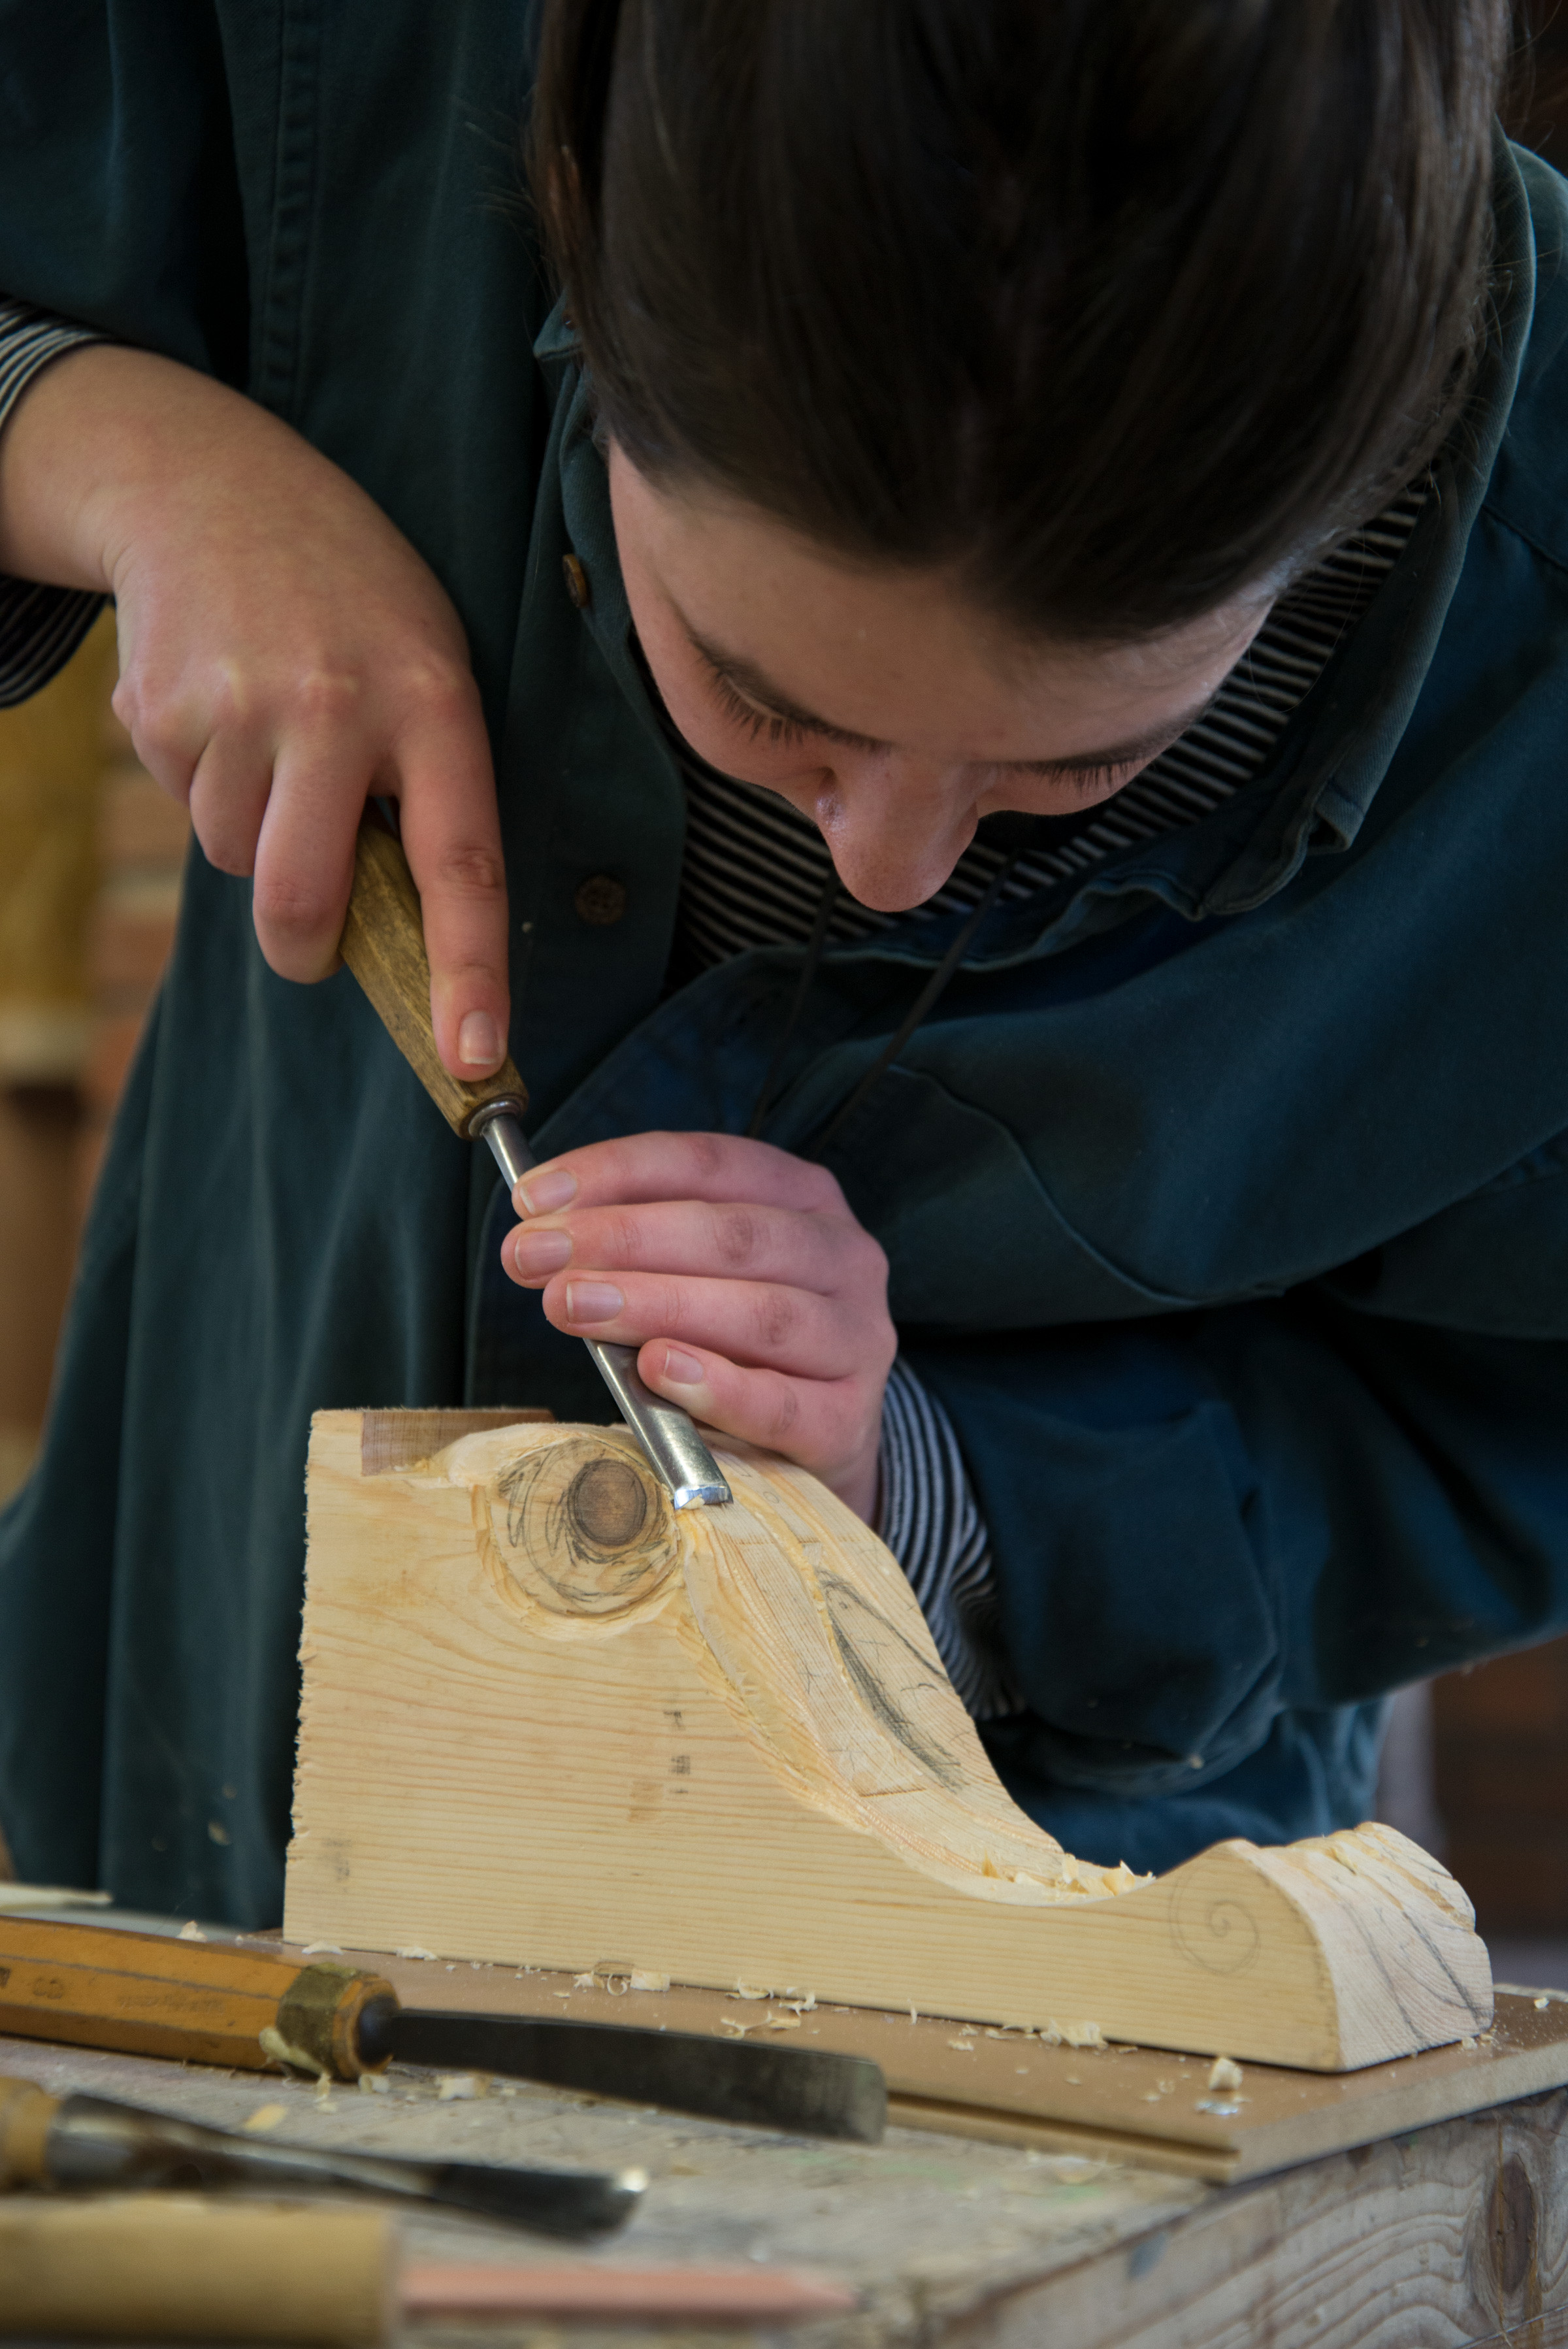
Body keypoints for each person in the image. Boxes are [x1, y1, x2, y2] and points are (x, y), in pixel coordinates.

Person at [0, 0, 1562, 1928]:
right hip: (214, 1712)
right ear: (560, 205)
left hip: (1037, 1943)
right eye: (762, 701)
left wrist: (935, 1482)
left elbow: (1505, 1438)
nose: (886, 865)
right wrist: (127, 458)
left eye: (1074, 771)